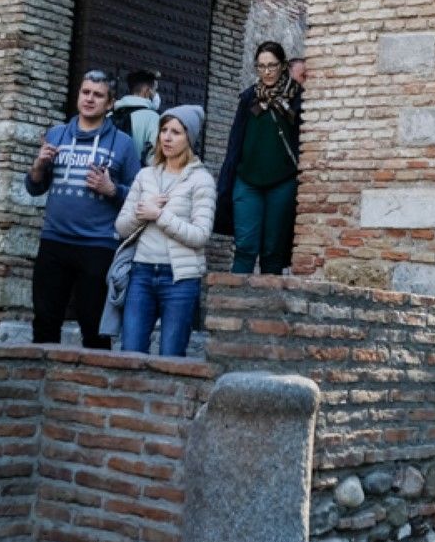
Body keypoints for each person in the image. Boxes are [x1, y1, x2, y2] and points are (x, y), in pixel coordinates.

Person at [25, 69, 140, 348]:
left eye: (98, 95)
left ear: (110, 103)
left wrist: (112, 190)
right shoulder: (56, 134)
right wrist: (38, 166)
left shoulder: (124, 144)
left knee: (94, 327)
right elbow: (34, 188)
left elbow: (138, 196)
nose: (90, 99)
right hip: (54, 241)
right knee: (45, 322)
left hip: (98, 246)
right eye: (85, 92)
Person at [113, 106, 215, 356]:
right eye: (164, 130)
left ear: (189, 138)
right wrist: (141, 213)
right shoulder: (145, 175)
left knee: (171, 358)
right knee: (130, 353)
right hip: (141, 273)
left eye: (176, 132)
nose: (167, 137)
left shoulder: (201, 180)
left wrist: (159, 215)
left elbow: (200, 235)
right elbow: (121, 227)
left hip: (179, 278)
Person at [215, 41, 302, 275]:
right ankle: (234, 305)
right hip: (247, 181)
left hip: (282, 182)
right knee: (244, 246)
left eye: (272, 66)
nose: (267, 72)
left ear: (283, 66)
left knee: (273, 251)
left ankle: (268, 307)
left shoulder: (297, 99)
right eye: (261, 66)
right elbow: (235, 143)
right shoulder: (249, 99)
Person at [112, 68, 162, 158]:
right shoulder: (153, 118)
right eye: (155, 90)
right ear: (147, 91)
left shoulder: (110, 115)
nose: (155, 94)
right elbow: (155, 158)